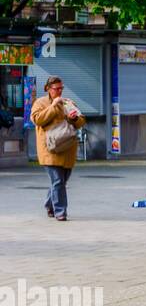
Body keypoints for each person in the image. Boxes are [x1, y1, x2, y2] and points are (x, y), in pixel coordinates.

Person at [31, 76, 86, 221]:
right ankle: (60, 212)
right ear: (48, 89)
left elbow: (80, 122)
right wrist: (53, 106)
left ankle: (50, 204)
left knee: (61, 181)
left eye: (61, 88)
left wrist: (74, 118)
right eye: (57, 88)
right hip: (49, 149)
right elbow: (37, 120)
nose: (60, 91)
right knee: (57, 181)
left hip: (67, 148)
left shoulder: (68, 102)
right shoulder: (40, 103)